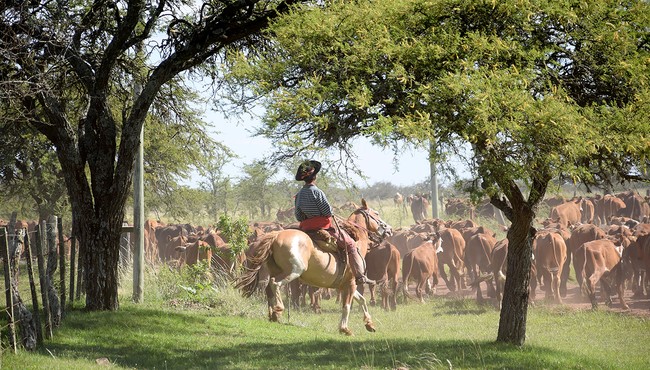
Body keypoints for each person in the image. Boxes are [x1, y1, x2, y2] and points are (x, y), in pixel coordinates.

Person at [294, 160, 375, 285]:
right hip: (322, 228)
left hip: (305, 228)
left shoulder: (299, 195)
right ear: (314, 177)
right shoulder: (317, 192)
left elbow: (298, 216)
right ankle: (360, 276)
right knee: (351, 244)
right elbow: (327, 211)